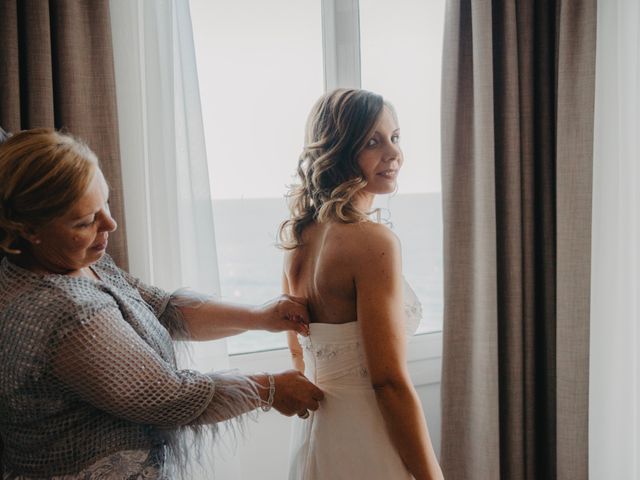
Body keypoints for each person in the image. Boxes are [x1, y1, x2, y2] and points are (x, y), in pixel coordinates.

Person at [0, 128, 324, 479]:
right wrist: (270, 388)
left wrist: (261, 316)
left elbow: (164, 309)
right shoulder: (60, 311)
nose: (110, 223)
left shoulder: (78, 260)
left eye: (104, 203)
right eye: (85, 221)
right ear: (30, 230)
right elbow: (168, 397)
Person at [282, 89, 444, 480]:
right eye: (373, 141)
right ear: (339, 150)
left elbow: (299, 353)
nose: (393, 153)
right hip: (368, 437)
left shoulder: (300, 237)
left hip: (318, 433)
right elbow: (388, 382)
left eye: (396, 137)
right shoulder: (371, 242)